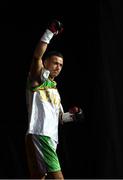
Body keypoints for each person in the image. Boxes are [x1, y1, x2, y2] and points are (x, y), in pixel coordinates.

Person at [25, 19, 84, 180]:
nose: (58, 67)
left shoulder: (55, 90)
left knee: (38, 177)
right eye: (55, 63)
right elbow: (37, 56)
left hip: (49, 137)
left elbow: (60, 118)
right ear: (45, 63)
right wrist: (50, 32)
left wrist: (74, 115)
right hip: (41, 134)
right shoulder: (37, 79)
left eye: (61, 65)